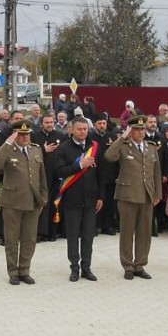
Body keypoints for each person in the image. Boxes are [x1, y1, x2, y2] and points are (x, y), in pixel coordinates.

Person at [104, 115, 163, 280]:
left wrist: (157, 193)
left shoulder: (151, 147)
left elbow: (156, 172)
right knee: (127, 232)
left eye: (142, 129)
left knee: (144, 233)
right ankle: (128, 265)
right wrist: (122, 136)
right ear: (130, 131)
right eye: (137, 129)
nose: (141, 132)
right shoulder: (123, 146)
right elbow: (109, 156)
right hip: (128, 195)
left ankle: (140, 265)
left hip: (146, 195)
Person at [0, 121, 48, 285]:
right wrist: (8, 142)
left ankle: (25, 270)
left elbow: (41, 175)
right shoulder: (9, 150)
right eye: (21, 134)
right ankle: (13, 272)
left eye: (27, 134)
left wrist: (43, 197)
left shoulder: (35, 149)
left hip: (32, 201)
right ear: (15, 135)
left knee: (29, 239)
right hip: (13, 202)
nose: (25, 137)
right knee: (11, 239)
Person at [54, 117, 102, 282]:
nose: (83, 132)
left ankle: (86, 268)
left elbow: (101, 174)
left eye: (85, 129)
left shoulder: (94, 147)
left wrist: (101, 196)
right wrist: (79, 165)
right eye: (79, 129)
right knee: (73, 235)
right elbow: (59, 172)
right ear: (71, 130)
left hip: (90, 199)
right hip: (72, 199)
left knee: (88, 235)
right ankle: (74, 268)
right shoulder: (63, 149)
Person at [30, 113, 67, 242]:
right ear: (41, 124)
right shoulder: (34, 137)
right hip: (41, 175)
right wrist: (43, 149)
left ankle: (53, 232)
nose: (50, 125)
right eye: (47, 122)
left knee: (54, 204)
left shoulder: (61, 137)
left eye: (52, 122)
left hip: (56, 176)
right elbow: (30, 153)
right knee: (41, 204)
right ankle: (39, 233)